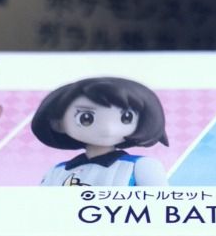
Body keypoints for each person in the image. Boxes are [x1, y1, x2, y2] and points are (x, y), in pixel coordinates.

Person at [31, 77, 169, 186]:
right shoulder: (56, 172)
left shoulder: (141, 166)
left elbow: (160, 206)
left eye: (126, 118)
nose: (108, 129)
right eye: (86, 118)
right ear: (58, 124)